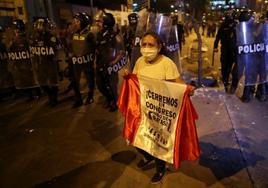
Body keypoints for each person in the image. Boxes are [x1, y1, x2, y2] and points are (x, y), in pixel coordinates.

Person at [131, 31, 185, 184]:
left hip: (160, 111)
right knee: (134, 136)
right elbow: (135, 81)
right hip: (142, 107)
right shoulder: (140, 61)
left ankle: (160, 168)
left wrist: (187, 90)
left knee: (157, 142)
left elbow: (177, 82)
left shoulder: (167, 63)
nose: (146, 48)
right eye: (144, 44)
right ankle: (147, 157)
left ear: (159, 47)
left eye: (151, 45)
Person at [96, 12, 125, 112]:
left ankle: (115, 102)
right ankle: (108, 98)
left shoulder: (115, 35)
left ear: (106, 23)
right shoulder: (99, 34)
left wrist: (114, 62)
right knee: (100, 84)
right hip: (101, 64)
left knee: (112, 86)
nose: (97, 23)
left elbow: (121, 52)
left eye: (100, 21)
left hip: (111, 65)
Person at [30, 17, 60, 107]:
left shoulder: (51, 36)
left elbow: (57, 48)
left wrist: (54, 58)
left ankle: (54, 98)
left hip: (50, 63)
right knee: (42, 83)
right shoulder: (34, 37)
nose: (40, 28)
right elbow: (32, 50)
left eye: (42, 26)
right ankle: (50, 95)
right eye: (38, 26)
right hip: (40, 64)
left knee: (53, 82)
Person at [68, 12, 96, 108]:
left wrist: (94, 60)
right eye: (75, 21)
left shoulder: (89, 34)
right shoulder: (73, 34)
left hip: (87, 62)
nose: (75, 23)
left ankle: (90, 96)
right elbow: (71, 46)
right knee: (75, 81)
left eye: (77, 21)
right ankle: (78, 99)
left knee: (89, 80)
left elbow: (94, 48)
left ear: (83, 22)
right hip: (76, 63)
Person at [214, 12, 238, 94]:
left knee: (229, 64)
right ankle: (225, 79)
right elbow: (218, 36)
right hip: (225, 48)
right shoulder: (223, 25)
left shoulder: (236, 25)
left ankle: (227, 78)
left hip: (232, 49)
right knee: (224, 64)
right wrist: (215, 46)